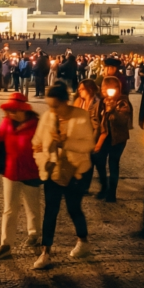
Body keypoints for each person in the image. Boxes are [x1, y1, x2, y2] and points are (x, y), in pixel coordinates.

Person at [30, 82, 95, 270]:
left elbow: (88, 145)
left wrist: (65, 143)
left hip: (76, 171)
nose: (53, 110)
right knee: (51, 210)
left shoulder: (80, 116)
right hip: (53, 170)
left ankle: (83, 240)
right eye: (49, 106)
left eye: (56, 105)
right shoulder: (48, 117)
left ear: (66, 101)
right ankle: (45, 252)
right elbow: (37, 142)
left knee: (74, 208)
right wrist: (42, 159)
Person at [0, 92, 42, 259]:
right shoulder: (7, 122)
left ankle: (34, 233)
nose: (11, 114)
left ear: (24, 110)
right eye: (9, 111)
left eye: (14, 111)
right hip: (10, 171)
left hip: (31, 172)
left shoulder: (37, 125)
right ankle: (6, 244)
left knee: (32, 206)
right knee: (9, 209)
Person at [92, 76, 133, 203]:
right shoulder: (100, 103)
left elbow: (123, 120)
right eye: (103, 88)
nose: (105, 91)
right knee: (99, 161)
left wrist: (113, 111)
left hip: (117, 138)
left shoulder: (122, 102)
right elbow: (94, 117)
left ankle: (112, 192)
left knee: (113, 164)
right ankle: (104, 186)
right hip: (103, 137)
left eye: (108, 88)